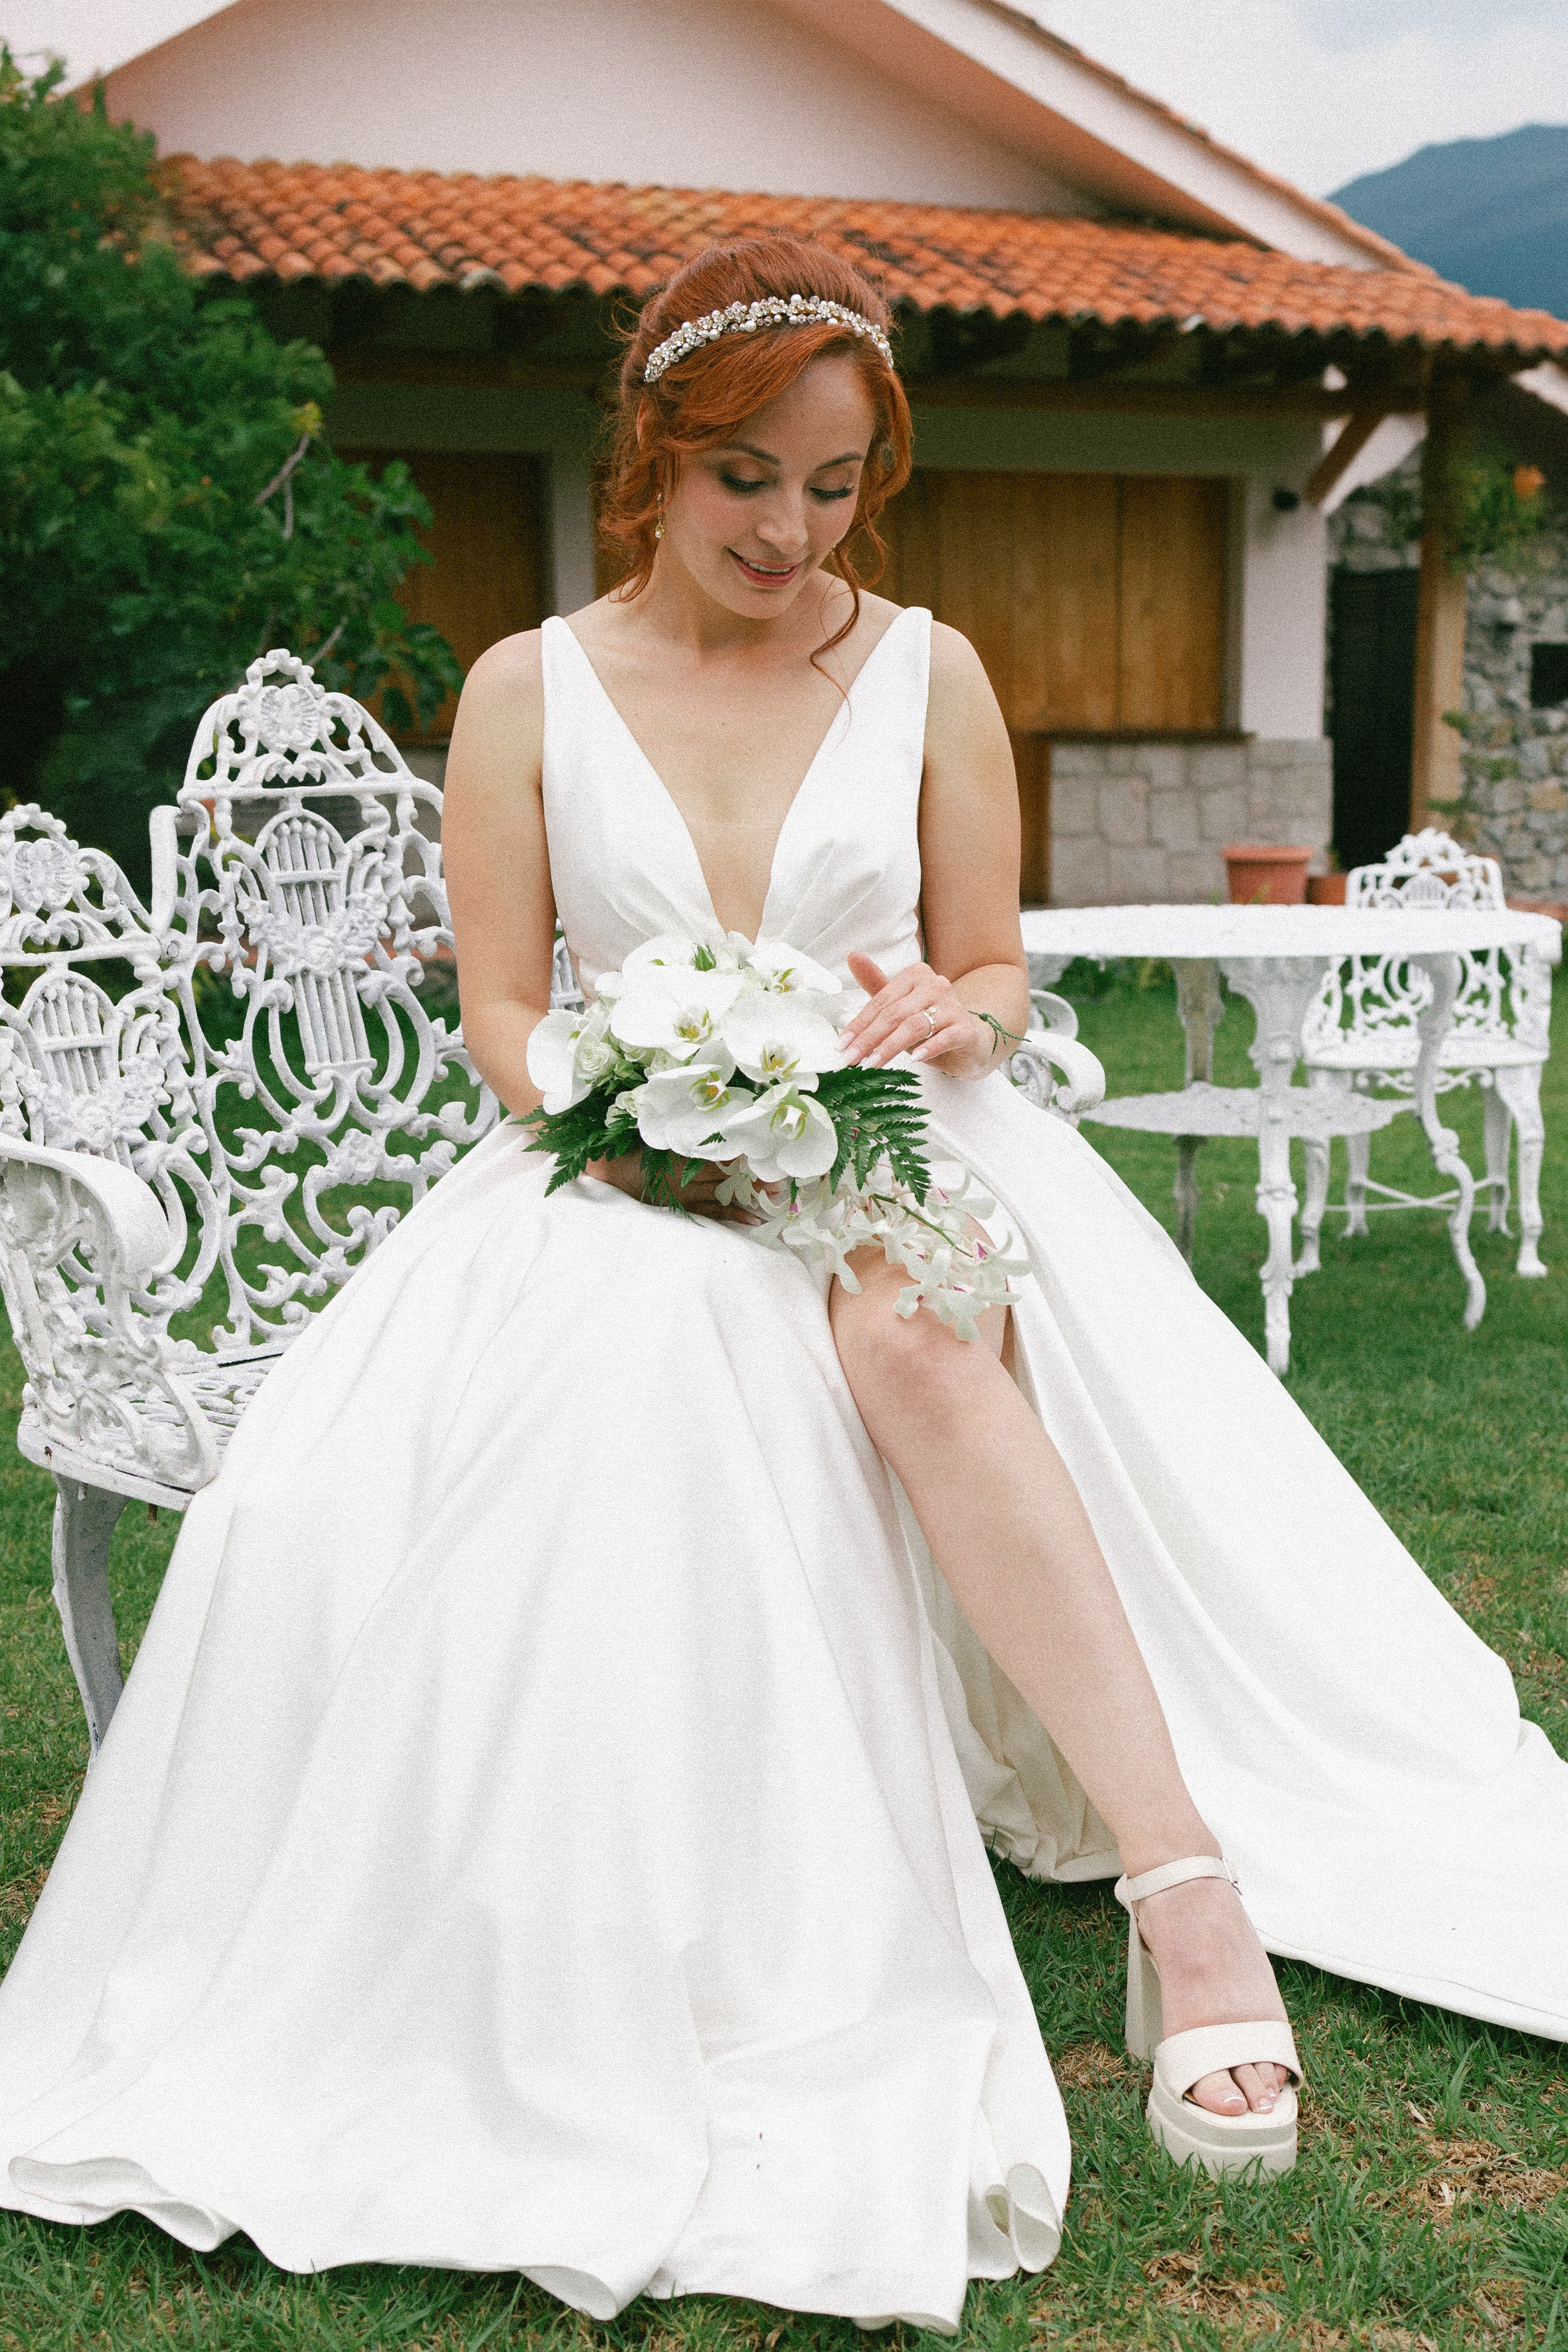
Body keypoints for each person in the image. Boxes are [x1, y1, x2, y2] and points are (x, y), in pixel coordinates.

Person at [0, 237, 1563, 2334]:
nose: (790, 530)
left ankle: (1187, 1899)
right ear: (650, 454)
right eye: (745, 479)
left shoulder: (926, 670)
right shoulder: (523, 690)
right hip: (608, 1158)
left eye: (833, 487)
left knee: (913, 1322)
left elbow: (995, 968)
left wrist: (952, 1018)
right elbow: (496, 1005)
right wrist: (635, 1126)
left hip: (910, 1142)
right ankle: (653, 1910)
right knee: (640, 1351)